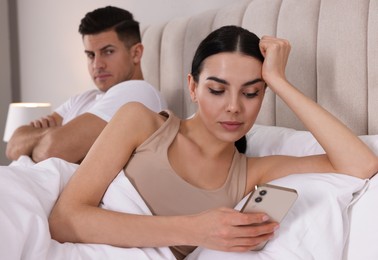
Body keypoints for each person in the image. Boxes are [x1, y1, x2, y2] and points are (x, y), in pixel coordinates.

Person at [48, 25, 378, 260]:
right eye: (217, 90)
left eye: (251, 92)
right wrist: (195, 230)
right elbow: (65, 219)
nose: (234, 106)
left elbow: (360, 165)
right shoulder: (141, 122)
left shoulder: (252, 174)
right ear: (192, 87)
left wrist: (280, 81)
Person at [5, 6, 167, 164]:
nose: (97, 64)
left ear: (136, 53)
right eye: (90, 55)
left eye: (108, 52)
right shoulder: (82, 99)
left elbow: (53, 150)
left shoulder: (137, 92)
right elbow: (12, 147)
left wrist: (42, 137)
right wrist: (53, 136)